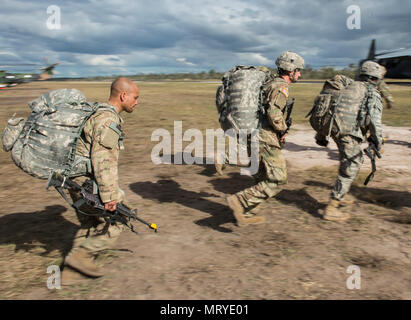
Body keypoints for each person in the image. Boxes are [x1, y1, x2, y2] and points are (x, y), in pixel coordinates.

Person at [62, 77, 140, 283]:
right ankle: (81, 256)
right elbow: (103, 160)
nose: (137, 102)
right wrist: (109, 196)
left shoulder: (96, 110)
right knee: (121, 218)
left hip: (74, 179)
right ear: (123, 96)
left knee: (88, 223)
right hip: (87, 183)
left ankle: (70, 273)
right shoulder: (108, 120)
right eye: (135, 97)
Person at [226, 52, 304, 226]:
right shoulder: (281, 87)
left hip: (253, 134)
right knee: (278, 179)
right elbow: (274, 114)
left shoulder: (269, 83)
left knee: (261, 177)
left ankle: (246, 213)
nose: (299, 74)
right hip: (265, 138)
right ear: (290, 70)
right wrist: (283, 129)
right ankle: (239, 202)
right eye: (298, 70)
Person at [323, 61, 384, 221]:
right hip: (347, 132)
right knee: (353, 163)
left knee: (347, 161)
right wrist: (378, 142)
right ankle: (332, 207)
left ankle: (341, 195)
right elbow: (375, 123)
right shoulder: (372, 93)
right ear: (375, 79)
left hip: (335, 128)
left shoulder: (349, 85)